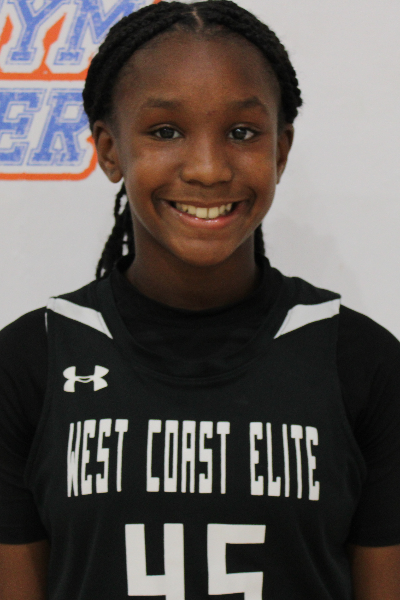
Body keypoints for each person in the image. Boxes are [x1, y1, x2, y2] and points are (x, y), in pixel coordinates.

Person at [0, 1, 399, 598]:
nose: (209, 170)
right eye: (165, 132)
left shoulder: (361, 360)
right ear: (109, 150)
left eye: (242, 133)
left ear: (280, 150)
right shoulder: (32, 360)